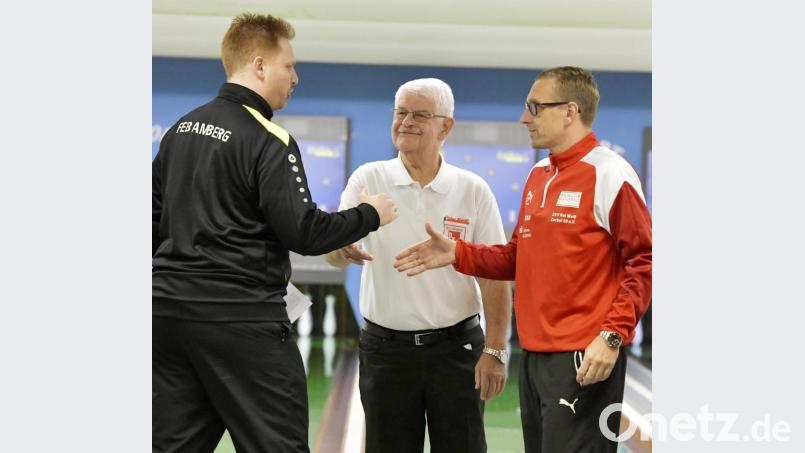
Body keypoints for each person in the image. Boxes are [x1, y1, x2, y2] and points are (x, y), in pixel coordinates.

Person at [152, 13, 397, 453]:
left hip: (166, 318)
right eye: (290, 66)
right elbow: (303, 231)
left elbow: (152, 223)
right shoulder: (268, 138)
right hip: (240, 322)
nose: (295, 77)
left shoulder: (179, 131)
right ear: (260, 66)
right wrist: (369, 214)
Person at [394, 67, 652, 453]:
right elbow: (517, 256)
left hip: (583, 356)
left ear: (570, 111)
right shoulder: (539, 174)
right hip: (534, 357)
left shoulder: (611, 174)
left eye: (535, 107)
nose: (524, 118)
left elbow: (644, 261)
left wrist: (611, 336)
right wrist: (459, 253)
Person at [324, 78, 512, 453]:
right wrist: (341, 247)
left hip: (457, 350)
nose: (407, 121)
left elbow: (494, 277)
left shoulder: (472, 189)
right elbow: (332, 253)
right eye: (401, 112)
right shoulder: (369, 178)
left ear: (446, 126)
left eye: (420, 114)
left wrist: (495, 350)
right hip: (385, 353)